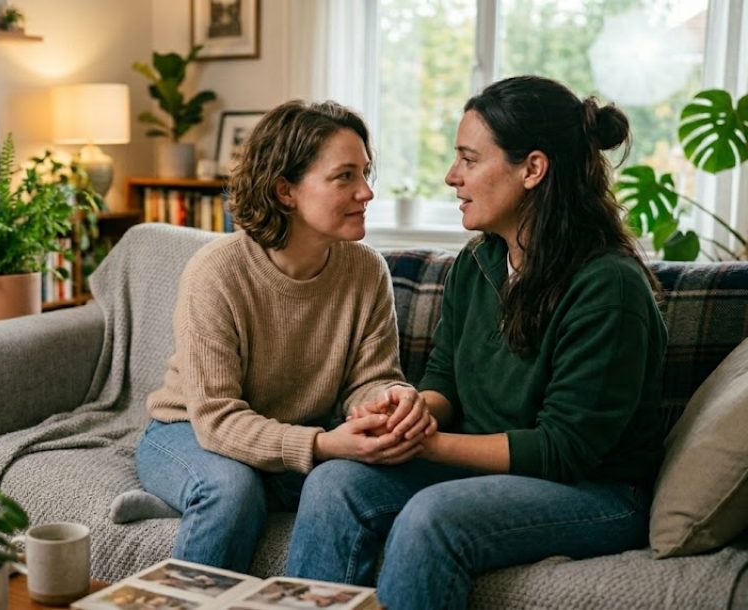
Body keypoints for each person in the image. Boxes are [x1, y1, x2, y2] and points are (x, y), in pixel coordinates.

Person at [285, 75, 668, 609]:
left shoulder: (608, 285)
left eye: (469, 159)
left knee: (431, 518)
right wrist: (411, 412)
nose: (451, 177)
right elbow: (445, 377)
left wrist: (427, 444)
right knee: (335, 483)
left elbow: (564, 449)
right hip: (483, 468)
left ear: (532, 169)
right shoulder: (479, 262)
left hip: (597, 491)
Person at [134, 100, 436, 572]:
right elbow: (215, 418)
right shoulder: (217, 272)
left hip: (294, 433)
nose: (366, 193)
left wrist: (389, 399)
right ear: (285, 191)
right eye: (345, 177)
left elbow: (371, 378)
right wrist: (322, 444)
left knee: (344, 482)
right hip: (188, 430)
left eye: (366, 173)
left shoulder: (366, 270)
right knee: (231, 490)